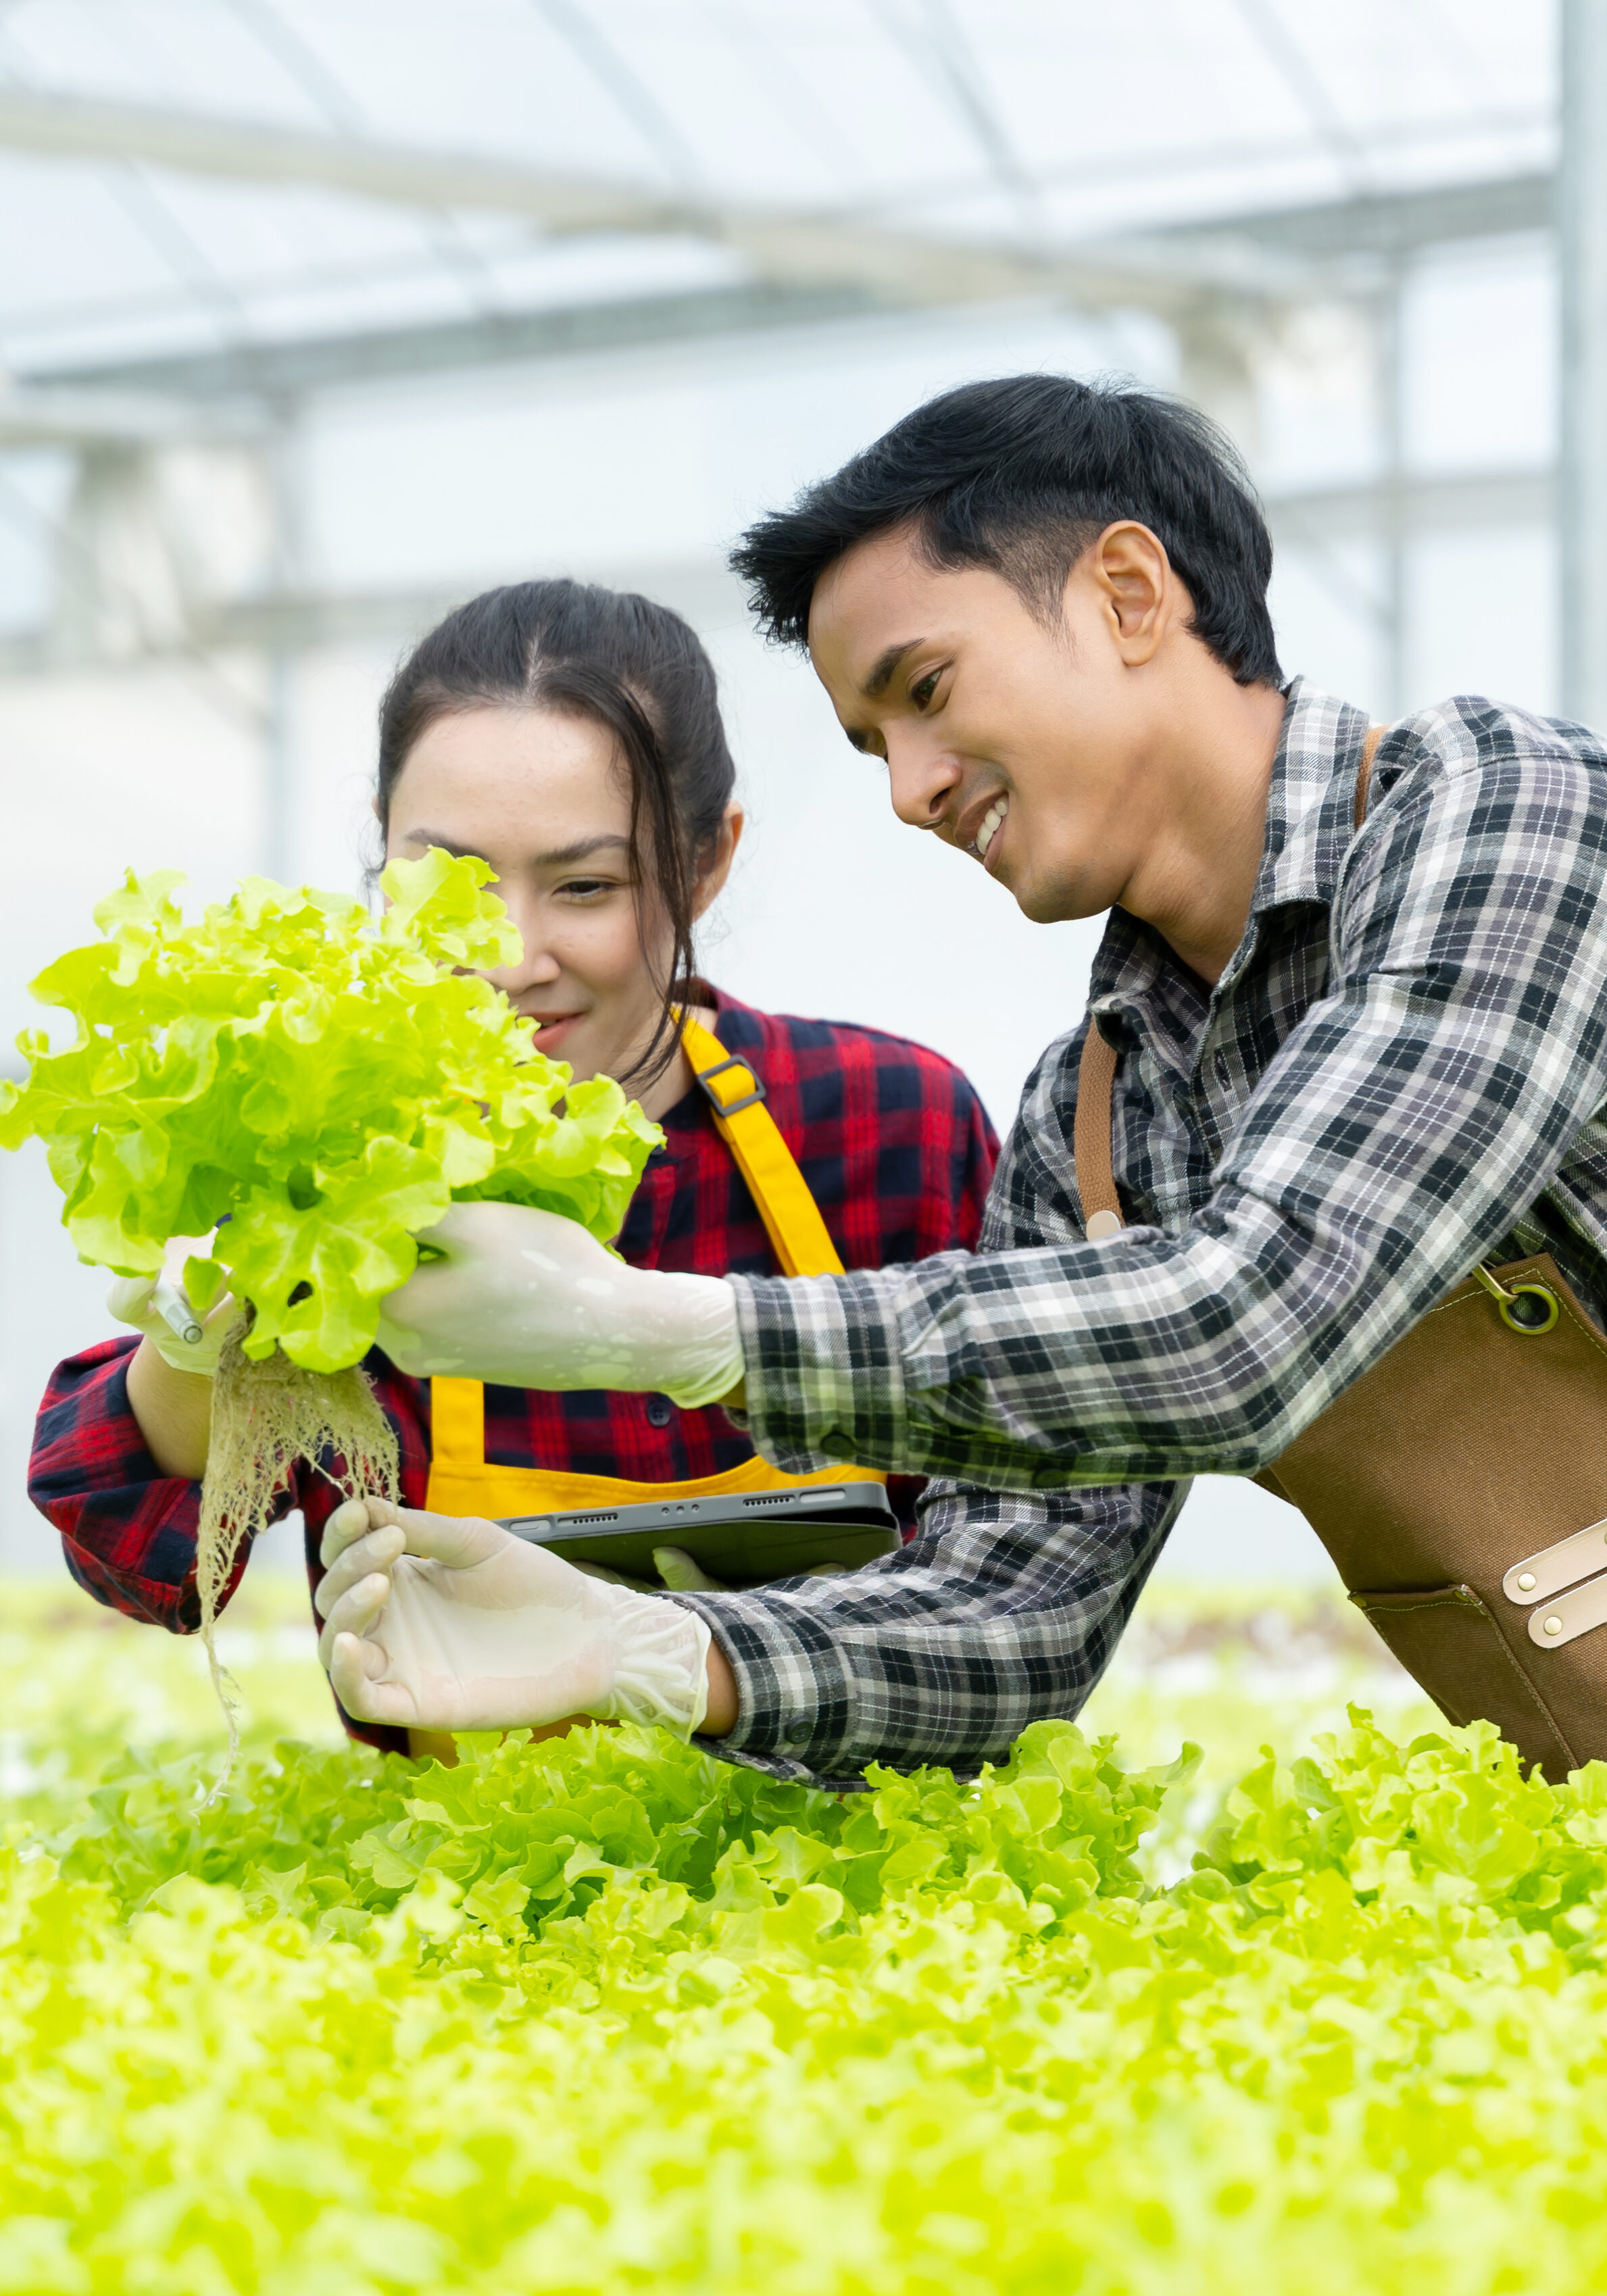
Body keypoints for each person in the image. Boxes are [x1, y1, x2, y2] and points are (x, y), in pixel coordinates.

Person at [318, 373, 1607, 1787]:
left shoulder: (1503, 818)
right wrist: (659, 1650)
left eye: (923, 691)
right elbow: (1015, 1610)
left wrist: (663, 1328)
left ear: (1126, 591)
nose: (908, 790)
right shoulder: (1099, 1125)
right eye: (872, 744)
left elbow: (1261, 1308)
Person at [30, 578, 999, 1762]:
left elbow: (1018, 1571)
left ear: (705, 864)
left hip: (851, 1876)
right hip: (469, 1903)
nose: (512, 957)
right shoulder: (338, 1162)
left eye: (585, 886)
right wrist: (200, 1342)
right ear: (381, 858)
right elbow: (145, 1568)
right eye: (450, 886)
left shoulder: (882, 1123)